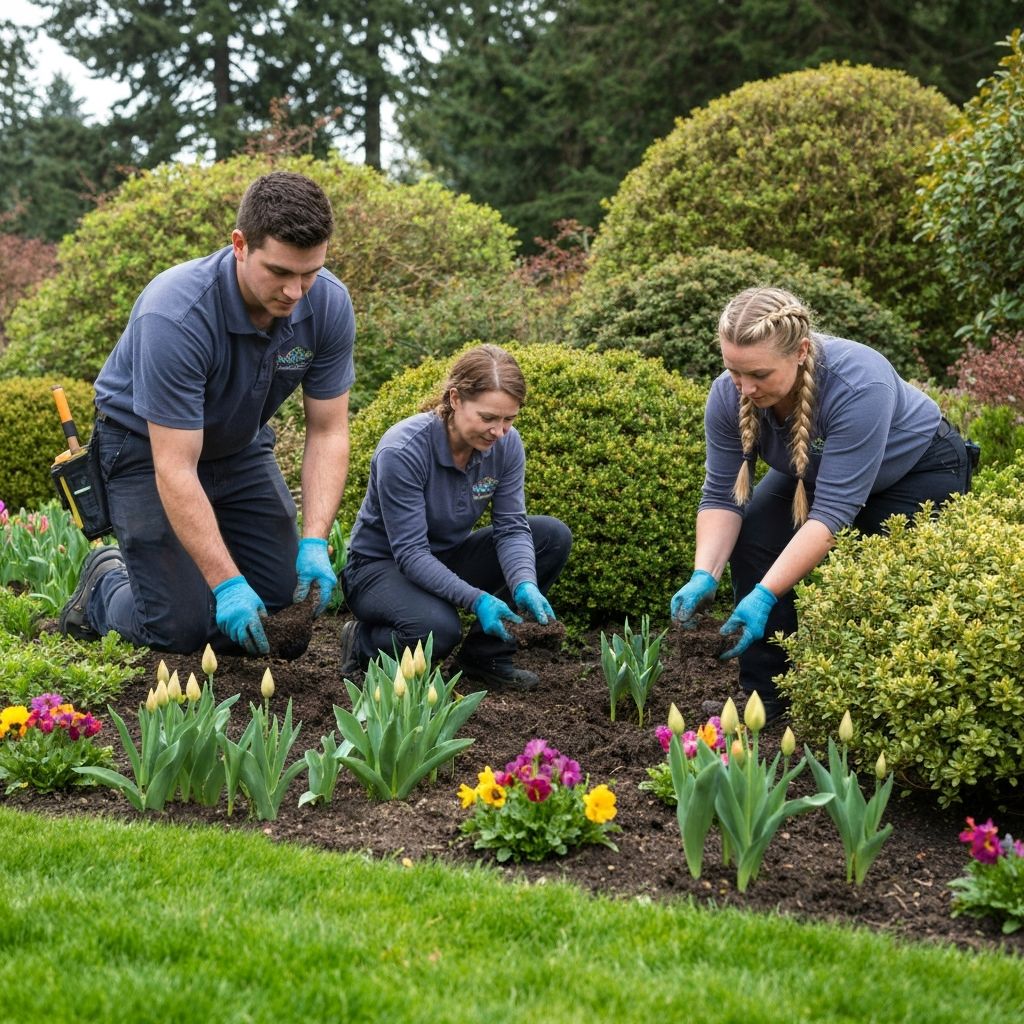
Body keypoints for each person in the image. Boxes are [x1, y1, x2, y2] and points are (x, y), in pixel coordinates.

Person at [59, 171, 355, 656]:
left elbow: (327, 431)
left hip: (239, 445)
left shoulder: (328, 305)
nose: (296, 291)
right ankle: (102, 587)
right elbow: (174, 465)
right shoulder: (176, 314)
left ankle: (197, 582)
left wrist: (315, 541)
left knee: (282, 609)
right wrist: (226, 584)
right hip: (143, 448)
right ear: (240, 244)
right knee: (181, 629)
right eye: (280, 272)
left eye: (310, 272)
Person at [670, 286, 971, 721]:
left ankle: (876, 713)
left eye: (759, 374)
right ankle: (767, 699)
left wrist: (764, 594)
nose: (746, 388)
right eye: (735, 372)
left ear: (801, 351)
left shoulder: (859, 383)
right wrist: (705, 572)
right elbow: (721, 494)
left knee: (871, 572)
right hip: (816, 473)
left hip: (917, 471)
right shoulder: (728, 394)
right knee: (754, 534)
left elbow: (830, 514)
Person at [341, 344, 571, 690]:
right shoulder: (403, 450)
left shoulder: (506, 446)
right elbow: (411, 553)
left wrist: (524, 582)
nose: (500, 431)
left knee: (551, 536)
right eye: (489, 417)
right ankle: (362, 643)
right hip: (378, 567)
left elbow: (511, 528)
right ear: (455, 399)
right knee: (437, 630)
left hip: (444, 556)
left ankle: (486, 657)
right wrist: (477, 599)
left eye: (510, 419)